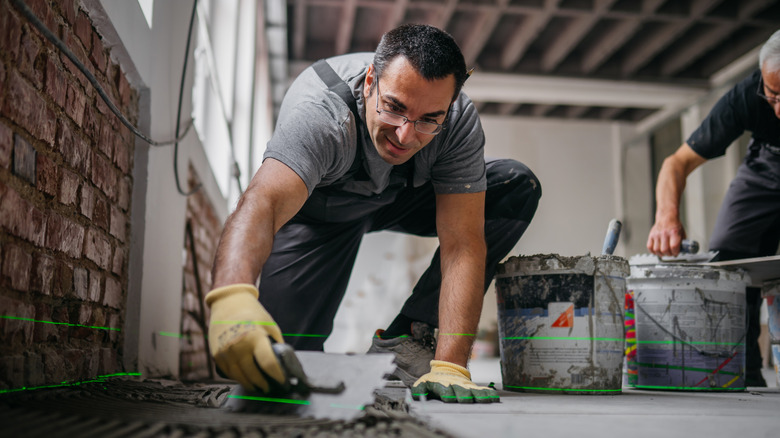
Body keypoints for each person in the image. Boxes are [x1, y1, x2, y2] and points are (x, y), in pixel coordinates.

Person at [205, 24, 541, 403]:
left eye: (429, 119)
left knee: (514, 185)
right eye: (394, 108)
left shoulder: (457, 122)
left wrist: (451, 365)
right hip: (318, 218)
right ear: (369, 82)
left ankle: (412, 340)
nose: (404, 136)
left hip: (397, 200)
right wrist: (231, 295)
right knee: (271, 361)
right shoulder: (321, 114)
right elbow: (262, 202)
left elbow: (462, 243)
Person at [646, 29, 780, 387]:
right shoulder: (744, 97)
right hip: (767, 165)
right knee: (729, 260)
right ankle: (745, 368)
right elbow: (676, 164)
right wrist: (666, 218)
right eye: (774, 96)